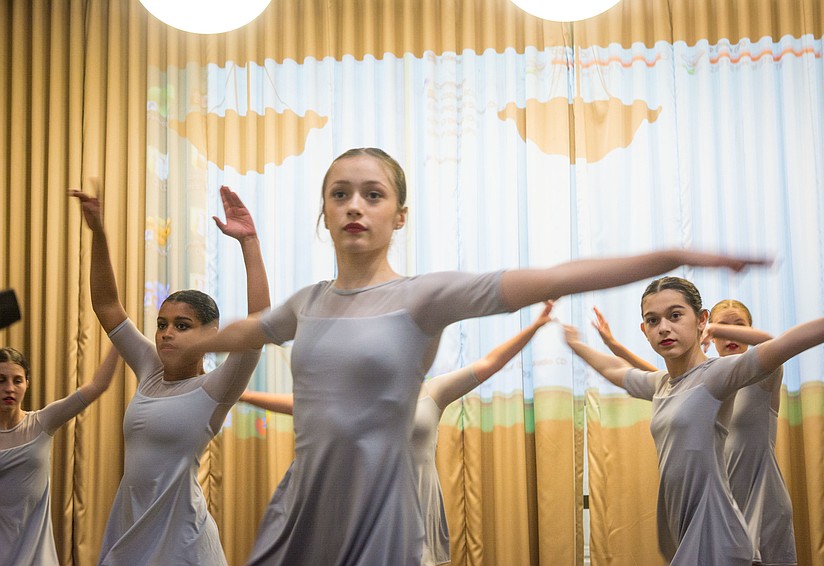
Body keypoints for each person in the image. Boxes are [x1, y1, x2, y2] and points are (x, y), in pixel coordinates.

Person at [186, 147, 767, 565]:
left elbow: (553, 277)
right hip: (302, 506)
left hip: (379, 514)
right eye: (340, 194)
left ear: (399, 215)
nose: (354, 206)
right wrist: (202, 323)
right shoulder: (307, 303)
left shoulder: (423, 296)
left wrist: (672, 255)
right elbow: (249, 330)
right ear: (324, 211)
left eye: (372, 194)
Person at [241, 301, 553, 566]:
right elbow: (297, 403)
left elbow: (490, 362)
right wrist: (242, 395)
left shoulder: (434, 391)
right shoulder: (355, 394)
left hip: (416, 510)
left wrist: (535, 326)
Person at [562, 276, 824, 564]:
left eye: (675, 315)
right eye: (653, 320)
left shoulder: (718, 375)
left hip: (726, 523)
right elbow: (618, 371)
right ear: (644, 329)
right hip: (693, 524)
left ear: (700, 320)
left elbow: (786, 343)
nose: (664, 327)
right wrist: (578, 345)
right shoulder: (663, 384)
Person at [69, 184, 270, 565]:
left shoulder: (215, 388)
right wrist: (98, 234)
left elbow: (259, 325)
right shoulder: (150, 367)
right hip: (131, 528)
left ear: (211, 333)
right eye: (162, 324)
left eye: (182, 325)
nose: (166, 333)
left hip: (183, 542)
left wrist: (249, 243)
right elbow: (107, 305)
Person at [592, 300, 797, 565]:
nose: (730, 335)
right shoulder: (706, 380)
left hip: (762, 500)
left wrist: (714, 328)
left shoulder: (765, 376)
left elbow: (771, 342)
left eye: (739, 326)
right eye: (723, 325)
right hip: (720, 503)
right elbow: (660, 380)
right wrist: (613, 345)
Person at [0, 345, 121, 566]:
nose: (9, 388)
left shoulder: (41, 423)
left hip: (36, 556)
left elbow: (98, 385)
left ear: (27, 383)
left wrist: (121, 338)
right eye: (1, 380)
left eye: (17, 380)